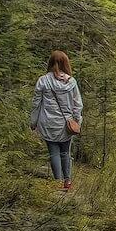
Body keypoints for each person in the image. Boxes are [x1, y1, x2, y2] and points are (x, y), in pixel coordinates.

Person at [30, 50, 83, 190]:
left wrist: (33, 122)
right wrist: (77, 121)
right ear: (65, 63)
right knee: (65, 152)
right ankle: (67, 182)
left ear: (50, 62)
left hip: (48, 123)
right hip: (66, 123)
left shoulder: (43, 81)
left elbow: (36, 103)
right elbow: (78, 104)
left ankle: (57, 183)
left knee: (53, 152)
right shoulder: (71, 82)